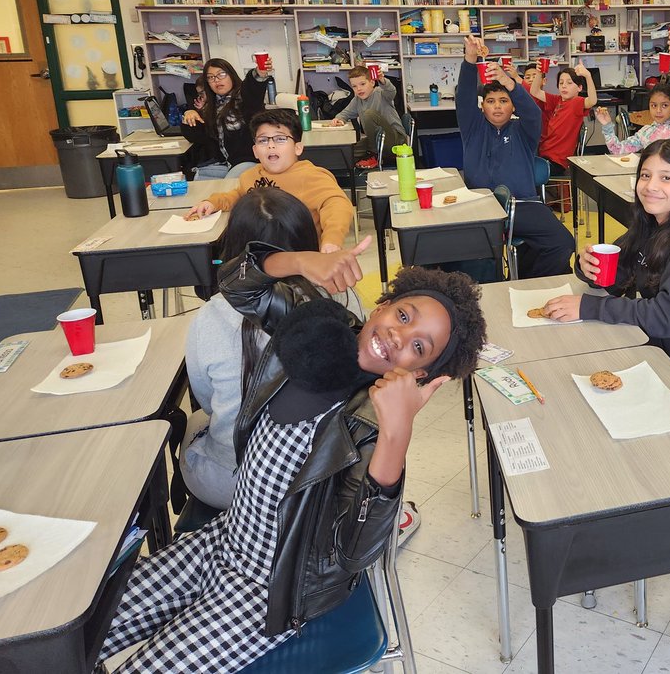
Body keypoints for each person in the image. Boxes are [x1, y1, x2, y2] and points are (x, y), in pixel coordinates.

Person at [98, 248, 486, 673]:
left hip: (272, 591)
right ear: (383, 303)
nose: (399, 336)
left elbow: (353, 552)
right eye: (404, 317)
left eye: (418, 347)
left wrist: (397, 434)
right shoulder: (316, 329)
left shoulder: (370, 424)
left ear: (422, 374)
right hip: (223, 540)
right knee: (83, 629)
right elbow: (236, 284)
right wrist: (300, 262)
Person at [180, 187, 364, 509]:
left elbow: (207, 400)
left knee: (196, 421)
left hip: (235, 488)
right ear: (308, 237)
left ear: (236, 249)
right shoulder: (343, 295)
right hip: (319, 480)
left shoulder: (213, 313)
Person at [543, 139, 670, 408]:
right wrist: (587, 267)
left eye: (666, 178)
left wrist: (589, 306)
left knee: (572, 395)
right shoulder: (655, 220)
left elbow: (669, 317)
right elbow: (618, 274)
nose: (651, 186)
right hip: (651, 343)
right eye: (645, 175)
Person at [457, 36, 574, 278]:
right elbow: (464, 98)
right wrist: (470, 58)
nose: (497, 106)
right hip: (482, 208)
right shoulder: (473, 128)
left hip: (523, 205)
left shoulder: (524, 130)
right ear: (483, 107)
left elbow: (532, 111)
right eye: (490, 101)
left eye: (503, 101)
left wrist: (509, 83)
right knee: (468, 257)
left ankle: (526, 281)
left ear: (513, 107)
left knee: (563, 243)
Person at [187, 108, 355, 253]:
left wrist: (332, 239)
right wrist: (213, 203)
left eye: (280, 139)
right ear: (255, 151)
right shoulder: (250, 175)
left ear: (298, 148)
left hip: (300, 258)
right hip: (260, 257)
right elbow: (239, 195)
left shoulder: (311, 176)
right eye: (263, 140)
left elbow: (337, 204)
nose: (271, 145)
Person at [181, 58, 270, 180]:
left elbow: (253, 88)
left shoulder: (244, 98)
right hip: (227, 163)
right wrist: (190, 114)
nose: (216, 80)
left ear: (231, 75)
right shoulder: (212, 106)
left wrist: (259, 73)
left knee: (228, 189)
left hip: (251, 161)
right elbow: (197, 137)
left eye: (221, 74)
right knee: (196, 181)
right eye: (211, 77)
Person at [329, 66, 407, 169]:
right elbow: (345, 114)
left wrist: (382, 80)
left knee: (368, 114)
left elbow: (391, 91)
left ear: (372, 83)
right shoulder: (357, 99)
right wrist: (338, 119)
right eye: (354, 86)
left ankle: (375, 155)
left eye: (362, 84)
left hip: (396, 141)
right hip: (375, 141)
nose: (359, 89)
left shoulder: (380, 93)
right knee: (347, 151)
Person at [527, 61, 597, 174]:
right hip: (544, 153)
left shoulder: (576, 102)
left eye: (569, 83)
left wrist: (587, 75)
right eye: (561, 83)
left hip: (557, 161)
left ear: (579, 88)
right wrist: (539, 73)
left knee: (523, 170)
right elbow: (534, 91)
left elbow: (592, 100)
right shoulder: (557, 100)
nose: (564, 86)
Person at [595, 77, 670, 155]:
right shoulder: (645, 133)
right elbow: (617, 150)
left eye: (664, 105)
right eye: (654, 105)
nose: (658, 110)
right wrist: (607, 126)